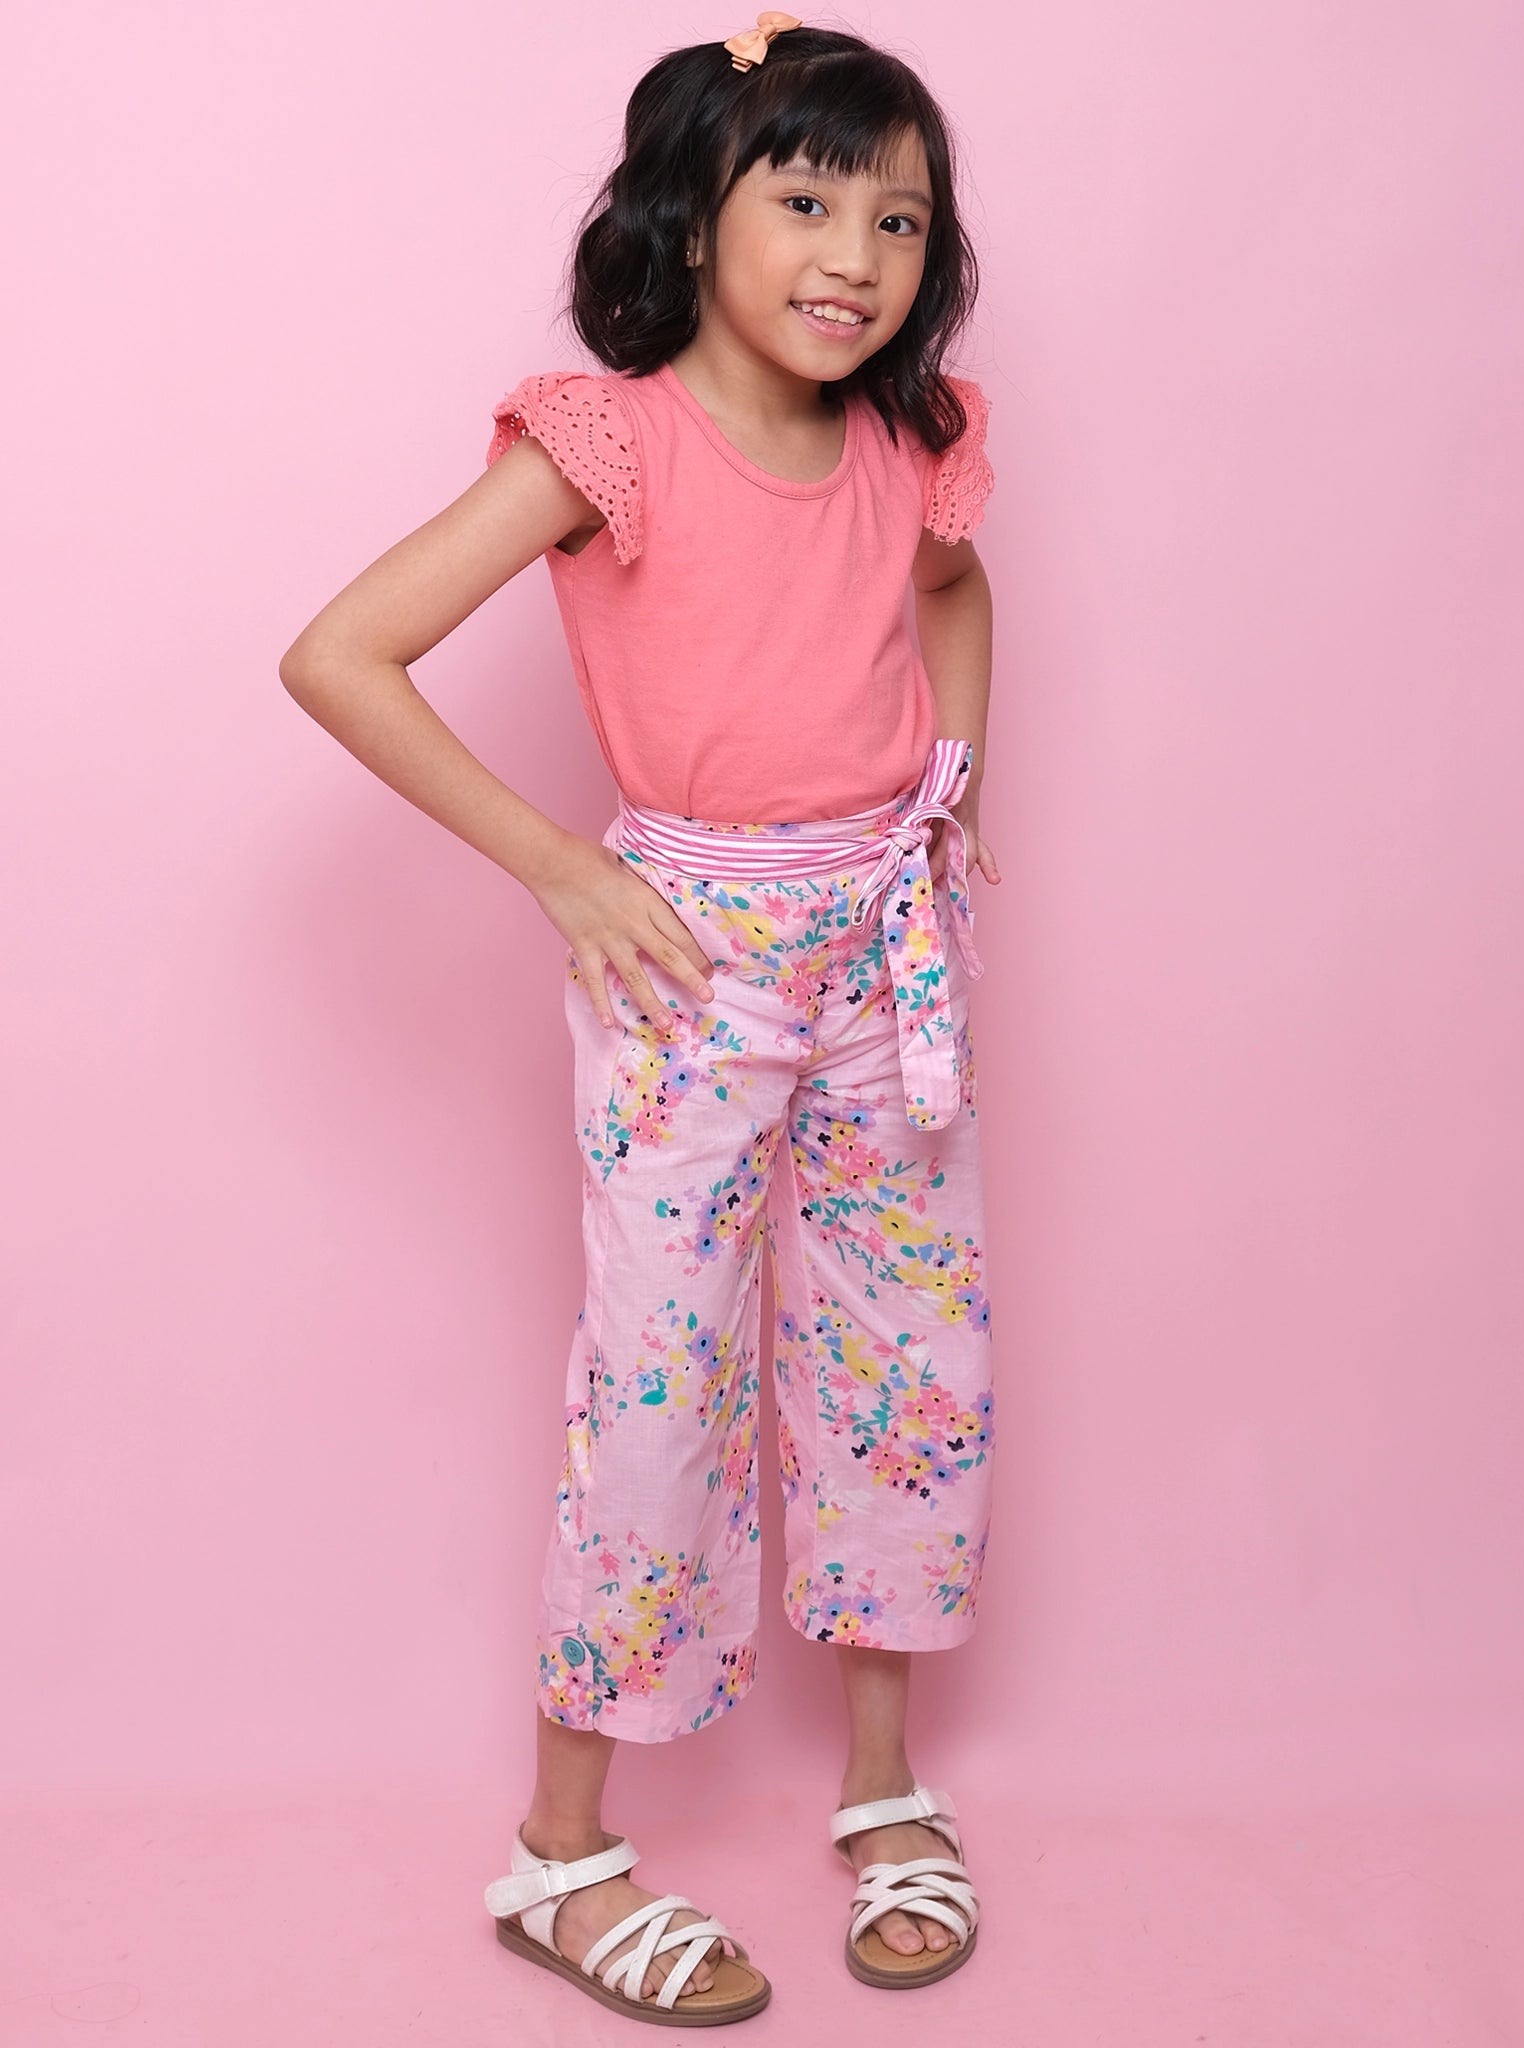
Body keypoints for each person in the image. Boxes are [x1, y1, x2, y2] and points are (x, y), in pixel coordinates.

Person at [280, 12, 1001, 2025]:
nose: (851, 249)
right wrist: (569, 868)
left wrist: (952, 784)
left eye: (896, 212)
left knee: (903, 1361)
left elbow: (952, 591)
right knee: (663, 1387)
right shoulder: (609, 438)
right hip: (693, 964)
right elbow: (343, 653)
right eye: (802, 195)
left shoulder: (909, 442)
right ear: (698, 216)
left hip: (883, 959)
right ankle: (562, 1855)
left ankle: (882, 1791)